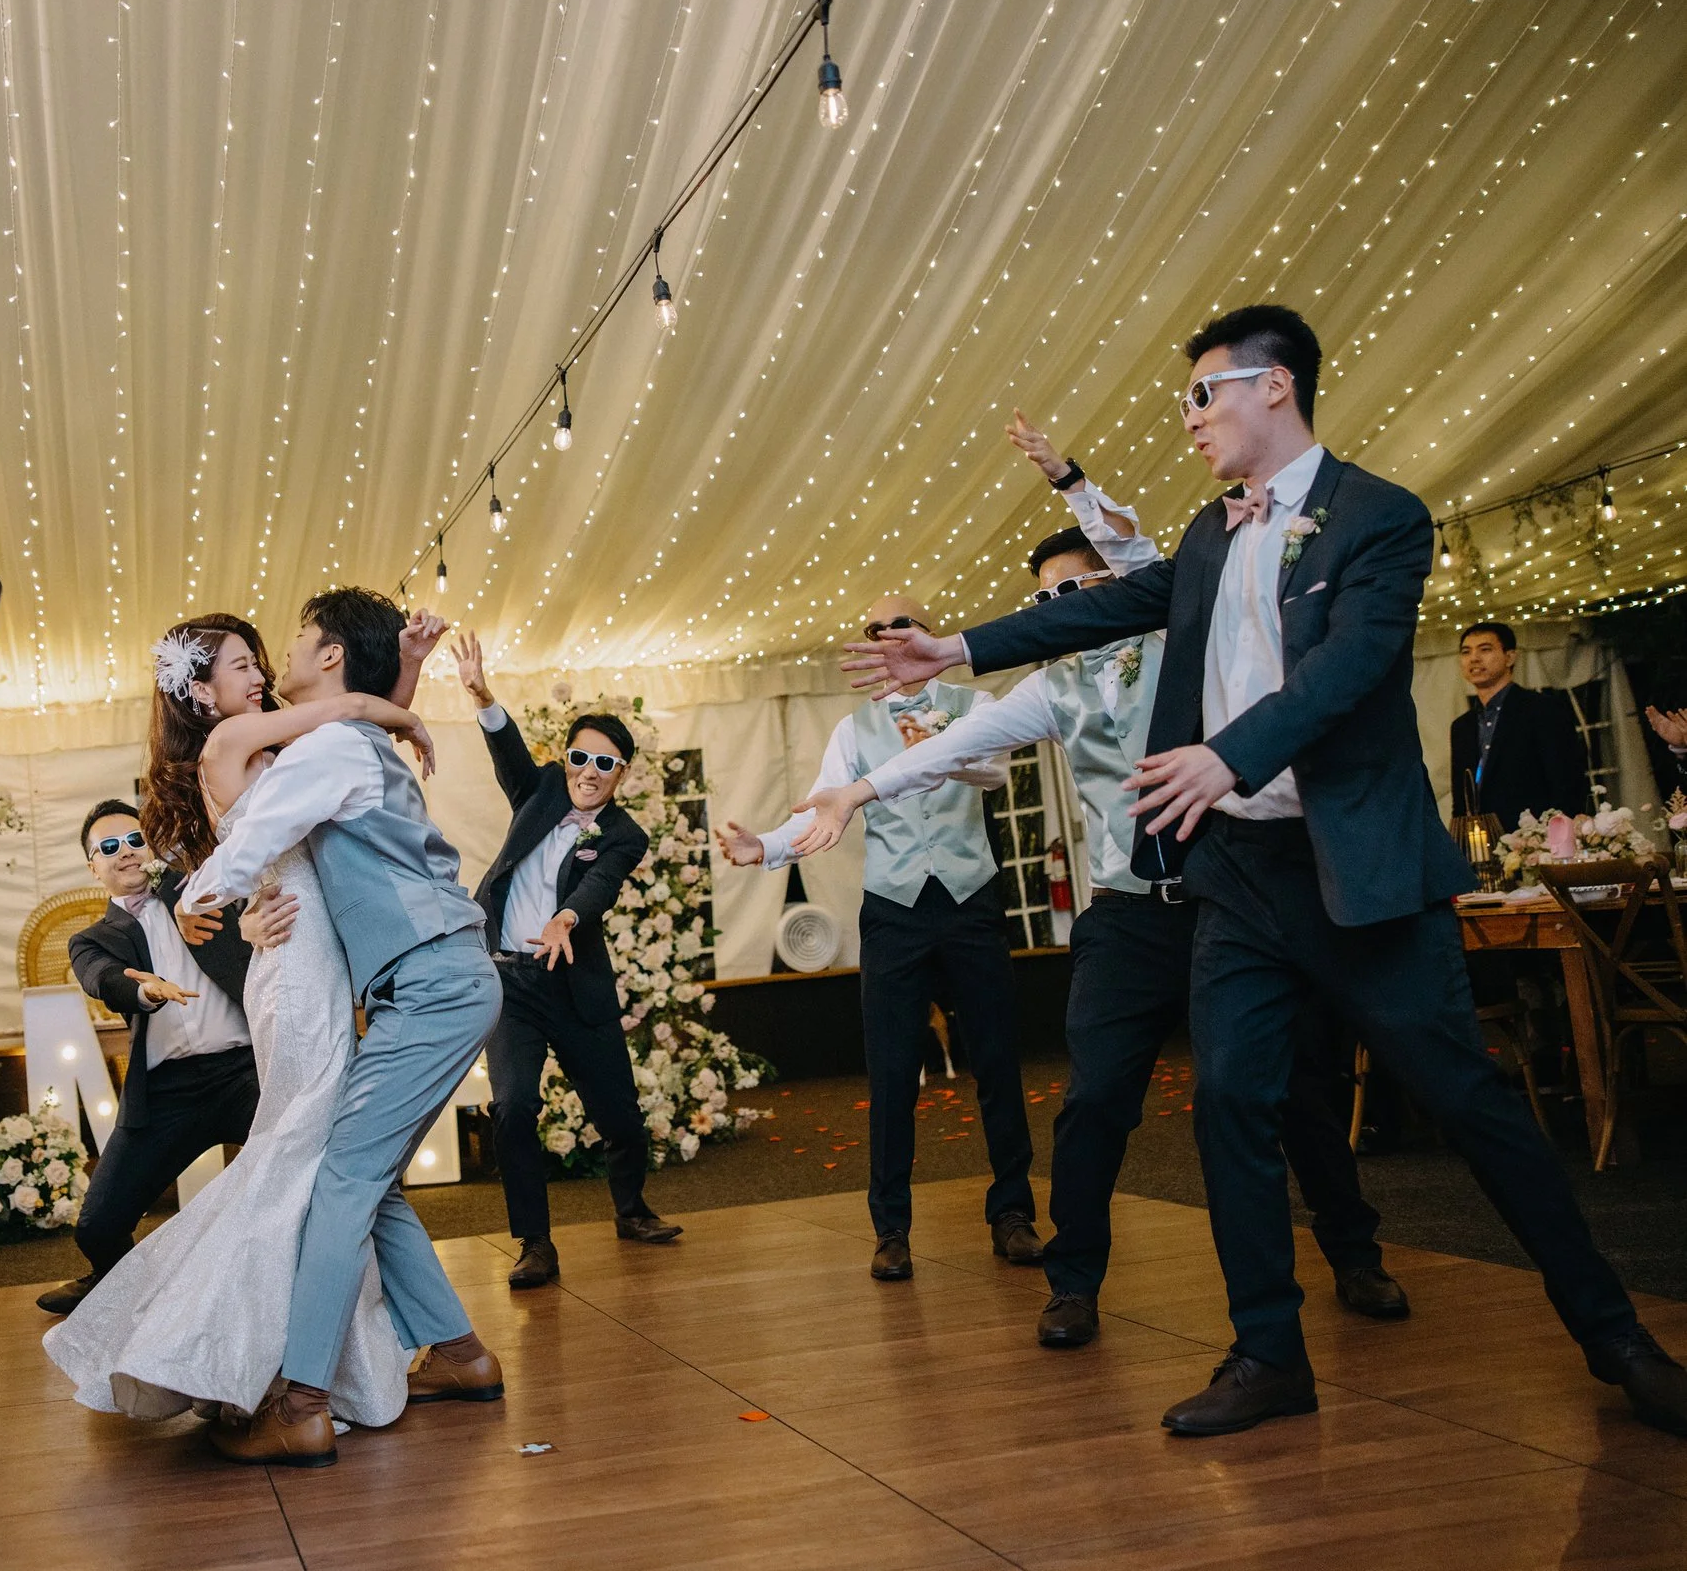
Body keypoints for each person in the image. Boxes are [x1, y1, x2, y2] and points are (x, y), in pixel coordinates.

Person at [847, 303, 1687, 1439]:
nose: (1188, 418)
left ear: (1272, 386)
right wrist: (951, 648)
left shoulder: (1379, 519)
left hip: (1357, 869)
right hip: (1237, 870)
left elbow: (1348, 671)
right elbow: (1113, 603)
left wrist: (1224, 752)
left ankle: (1615, 1335)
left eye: (1202, 394)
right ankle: (1267, 1352)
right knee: (1230, 1103)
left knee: (1469, 1101)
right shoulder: (1203, 535)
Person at [793, 423, 1404, 1351]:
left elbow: (1145, 554)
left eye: (1078, 590)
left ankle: (1353, 1251)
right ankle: (1074, 1280)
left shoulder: (1176, 633)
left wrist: (1073, 481)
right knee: (1095, 1099)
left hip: (1223, 895)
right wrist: (858, 787)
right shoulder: (1049, 689)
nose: (1064, 607)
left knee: (1290, 1088)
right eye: (1049, 598)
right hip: (1125, 912)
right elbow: (955, 746)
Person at [43, 607, 446, 1440]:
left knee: (317, 1159)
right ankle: (242, 1359)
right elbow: (347, 712)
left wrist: (402, 678)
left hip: (310, 959)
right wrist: (403, 704)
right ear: (198, 690)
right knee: (301, 1156)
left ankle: (295, 1363)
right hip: (297, 975)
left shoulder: (267, 747)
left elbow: (347, 748)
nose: (257, 672)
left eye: (258, 659)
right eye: (236, 665)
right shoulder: (229, 746)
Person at [179, 589, 506, 1468]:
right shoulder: (340, 739)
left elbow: (260, 836)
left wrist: (191, 899)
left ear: (327, 656)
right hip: (427, 981)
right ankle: (462, 1354)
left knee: (340, 1181)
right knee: (373, 1180)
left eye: (293, 636)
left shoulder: (328, 749)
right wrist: (401, 680)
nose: (277, 651)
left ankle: (303, 1401)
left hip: (430, 982)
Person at [717, 594, 1044, 1283]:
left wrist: (942, 746)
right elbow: (822, 805)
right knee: (893, 1073)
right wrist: (764, 849)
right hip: (894, 910)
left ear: (929, 634)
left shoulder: (973, 703)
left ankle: (1013, 1213)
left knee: (997, 1061)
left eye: (901, 624)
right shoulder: (853, 728)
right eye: (875, 631)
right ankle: (890, 1228)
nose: (888, 637)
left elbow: (993, 769)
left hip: (969, 900)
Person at [452, 629, 676, 1290]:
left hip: (574, 984)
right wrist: (484, 696)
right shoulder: (542, 789)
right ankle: (535, 1243)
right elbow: (509, 753)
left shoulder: (624, 834)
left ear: (621, 775)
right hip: (510, 982)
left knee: (620, 1114)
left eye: (603, 764)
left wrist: (566, 916)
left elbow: (597, 886)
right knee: (514, 1107)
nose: (587, 770)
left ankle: (630, 1209)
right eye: (580, 756)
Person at [38, 797, 258, 1316]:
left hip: (245, 1071)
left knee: (310, 1171)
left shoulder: (203, 892)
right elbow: (103, 980)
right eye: (109, 847)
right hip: (166, 1091)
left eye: (136, 839)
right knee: (97, 1225)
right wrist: (144, 990)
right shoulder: (93, 939)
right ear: (94, 866)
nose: (127, 852)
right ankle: (123, 1291)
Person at [1449, 622, 1593, 830]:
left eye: (1485, 649)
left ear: (1510, 657)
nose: (1474, 658)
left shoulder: (1542, 709)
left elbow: (1567, 782)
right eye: (1466, 652)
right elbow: (1461, 798)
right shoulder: (1462, 726)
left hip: (1534, 837)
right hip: (1482, 841)